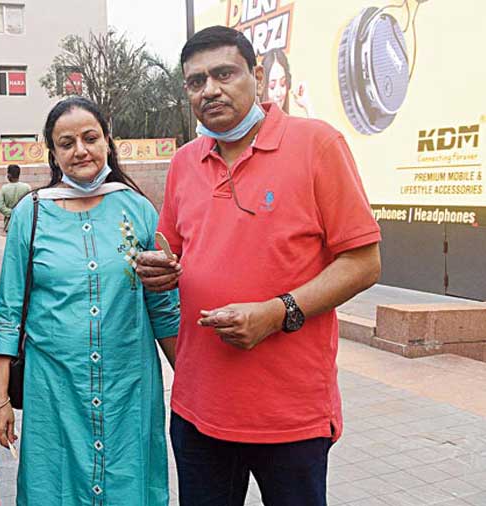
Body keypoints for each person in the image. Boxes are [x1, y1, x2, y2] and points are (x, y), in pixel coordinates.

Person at [136, 26, 381, 505]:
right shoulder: (186, 161)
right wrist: (159, 268)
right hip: (198, 409)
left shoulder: (317, 145)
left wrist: (277, 312)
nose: (210, 90)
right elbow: (174, 253)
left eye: (224, 73)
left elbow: (364, 261)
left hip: (289, 415)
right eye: (196, 81)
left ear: (259, 74)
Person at [0, 97, 180, 505]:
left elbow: (162, 308)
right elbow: (8, 311)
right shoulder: (31, 213)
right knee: (53, 490)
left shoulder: (138, 209)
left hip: (129, 386)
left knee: (130, 486)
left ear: (108, 141)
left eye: (90, 138)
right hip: (54, 390)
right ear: (53, 153)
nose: (81, 151)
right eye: (67, 142)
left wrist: (193, 383)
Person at [260, 48, 314, 117]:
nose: (278, 93)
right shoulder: (254, 125)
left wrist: (307, 105)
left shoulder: (291, 124)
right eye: (272, 86)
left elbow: (319, 128)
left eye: (282, 84)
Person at [0, 164, 31, 232]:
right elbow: (30, 203)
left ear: (9, 175)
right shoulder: (27, 187)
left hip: (10, 223)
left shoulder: (4, 188)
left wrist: (11, 212)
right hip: (24, 222)